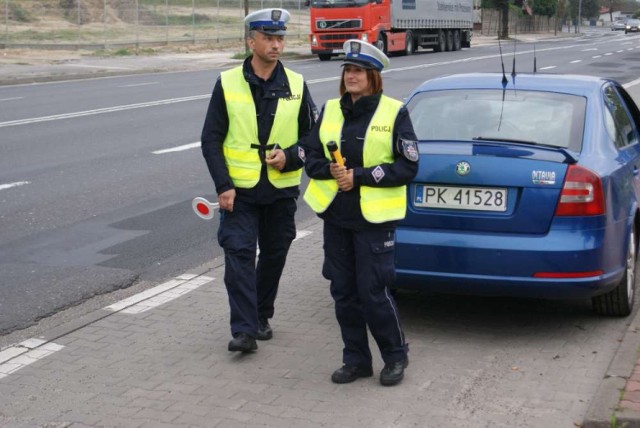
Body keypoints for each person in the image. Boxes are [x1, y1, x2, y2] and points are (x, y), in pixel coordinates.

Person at [302, 40, 419, 386]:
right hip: (337, 217)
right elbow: (310, 156)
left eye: (359, 71)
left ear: (373, 77)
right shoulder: (329, 110)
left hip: (374, 221)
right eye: (347, 70)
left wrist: (361, 176)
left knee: (373, 292)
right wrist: (329, 171)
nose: (351, 76)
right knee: (344, 292)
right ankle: (356, 360)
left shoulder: (394, 112)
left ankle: (395, 356)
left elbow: (408, 166)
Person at [201, 8, 317, 353]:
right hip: (240, 191)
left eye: (280, 38)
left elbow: (311, 139)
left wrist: (290, 157)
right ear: (251, 42)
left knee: (275, 254)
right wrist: (223, 185)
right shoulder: (227, 83)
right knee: (238, 254)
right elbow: (211, 139)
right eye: (268, 38)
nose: (276, 45)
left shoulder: (296, 84)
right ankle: (244, 331)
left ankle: (261, 315)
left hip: (280, 191)